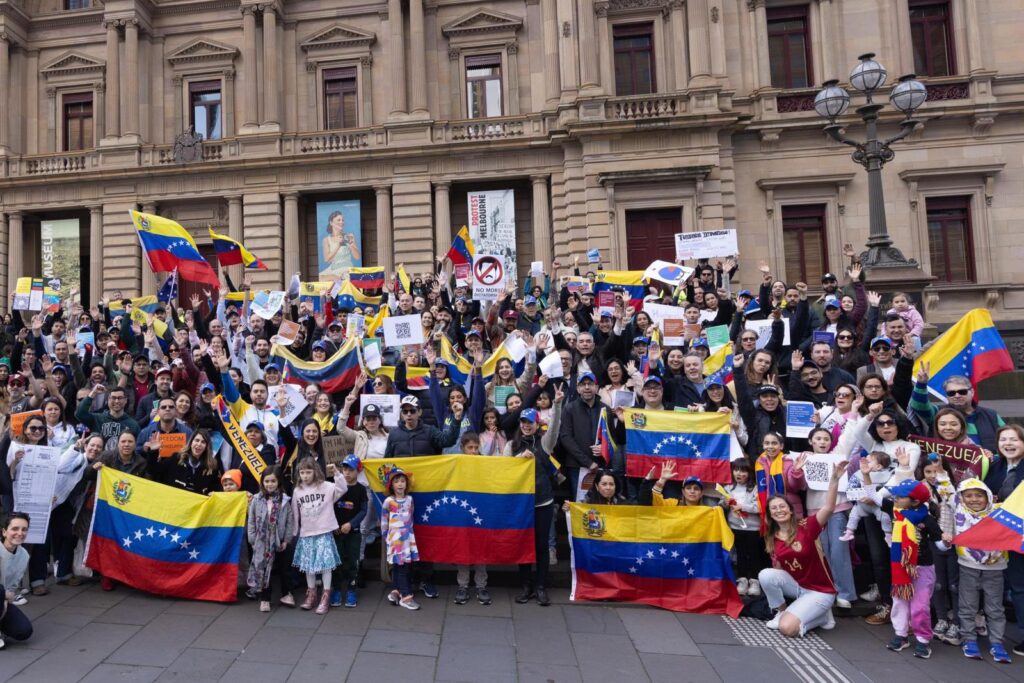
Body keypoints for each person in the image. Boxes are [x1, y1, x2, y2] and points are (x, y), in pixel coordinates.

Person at [758, 458, 847, 638]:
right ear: (769, 514)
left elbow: (829, 508)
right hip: (799, 586)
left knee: (787, 629)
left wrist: (834, 481)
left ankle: (822, 617)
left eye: (782, 506)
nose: (778, 510)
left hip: (820, 591)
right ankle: (781, 611)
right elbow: (779, 570)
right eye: (773, 508)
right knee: (765, 574)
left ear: (790, 510)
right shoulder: (772, 537)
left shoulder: (806, 526)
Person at [505, 393, 564, 607]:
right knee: (523, 545)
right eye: (523, 422)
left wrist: (557, 404)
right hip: (521, 505)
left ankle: (540, 587)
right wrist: (518, 460)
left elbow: (555, 428)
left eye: (530, 422)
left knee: (540, 545)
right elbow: (503, 472)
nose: (526, 426)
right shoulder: (511, 446)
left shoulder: (544, 444)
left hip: (543, 501)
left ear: (537, 424)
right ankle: (526, 586)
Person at [877, 480, 947, 660]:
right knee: (899, 600)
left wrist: (946, 542)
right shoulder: (895, 510)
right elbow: (873, 496)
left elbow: (940, 544)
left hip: (922, 567)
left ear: (915, 501)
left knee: (920, 606)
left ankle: (923, 640)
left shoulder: (927, 519)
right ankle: (901, 634)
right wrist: (867, 475)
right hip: (900, 566)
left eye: (900, 496)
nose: (895, 498)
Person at [953, 478, 1011, 663]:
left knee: (995, 608)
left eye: (979, 495)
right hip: (968, 566)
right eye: (968, 495)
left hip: (996, 568)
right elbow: (945, 488)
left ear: (988, 497)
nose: (974, 499)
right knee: (967, 605)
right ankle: (969, 639)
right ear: (961, 497)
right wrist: (939, 470)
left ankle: (997, 642)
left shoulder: (998, 512)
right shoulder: (958, 511)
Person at [290, 457, 348, 615]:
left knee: (326, 566)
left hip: (323, 531)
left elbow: (342, 489)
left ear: (315, 472)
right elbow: (295, 513)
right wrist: (295, 532)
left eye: (308, 472)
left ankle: (325, 595)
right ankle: (311, 594)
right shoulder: (297, 491)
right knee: (309, 566)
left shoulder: (327, 487)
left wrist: (337, 473)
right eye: (302, 472)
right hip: (307, 533)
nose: (305, 475)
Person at [247, 468, 295, 612]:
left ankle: (287, 594)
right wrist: (253, 539)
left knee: (284, 569)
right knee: (263, 569)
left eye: (273, 481)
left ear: (279, 482)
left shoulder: (285, 501)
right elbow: (251, 521)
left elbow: (289, 522)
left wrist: (286, 540)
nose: (270, 484)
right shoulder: (256, 499)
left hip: (279, 541)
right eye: (267, 481)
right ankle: (265, 598)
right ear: (262, 482)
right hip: (261, 542)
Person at [722, 460, 765, 597]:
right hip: (735, 527)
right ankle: (742, 580)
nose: (739, 474)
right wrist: (724, 502)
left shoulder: (756, 488)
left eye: (743, 471)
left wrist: (744, 507)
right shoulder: (728, 488)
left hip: (753, 528)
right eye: (736, 470)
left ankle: (754, 581)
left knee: (754, 555)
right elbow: (722, 505)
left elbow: (760, 506)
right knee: (740, 554)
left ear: (750, 473)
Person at [329, 455, 366, 609]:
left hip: (353, 532)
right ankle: (336, 589)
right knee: (336, 562)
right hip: (336, 532)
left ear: (358, 471)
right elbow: (328, 507)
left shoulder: (361, 489)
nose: (347, 473)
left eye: (351, 469)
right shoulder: (334, 487)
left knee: (352, 561)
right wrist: (333, 525)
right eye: (344, 469)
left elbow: (364, 510)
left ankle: (351, 589)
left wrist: (351, 524)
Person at [381, 467, 420, 610]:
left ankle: (396, 590)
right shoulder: (388, 502)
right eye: (396, 481)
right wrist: (387, 538)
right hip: (395, 540)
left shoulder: (410, 499)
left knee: (400, 566)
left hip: (407, 539)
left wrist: (409, 536)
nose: (400, 484)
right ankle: (406, 596)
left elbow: (411, 517)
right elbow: (384, 521)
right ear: (391, 485)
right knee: (401, 567)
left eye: (403, 481)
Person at [147, 430, 222, 495]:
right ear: (191, 442)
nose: (199, 444)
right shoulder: (176, 458)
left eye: (203, 442)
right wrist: (153, 451)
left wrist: (214, 493)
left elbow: (216, 489)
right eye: (197, 440)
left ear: (207, 446)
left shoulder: (211, 467)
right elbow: (153, 470)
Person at [1, 513, 30, 607]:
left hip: (5, 598)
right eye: (15, 529)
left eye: (24, 529)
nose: (20, 533)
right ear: (4, 532)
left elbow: (13, 586)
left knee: (23, 622)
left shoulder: (24, 555)